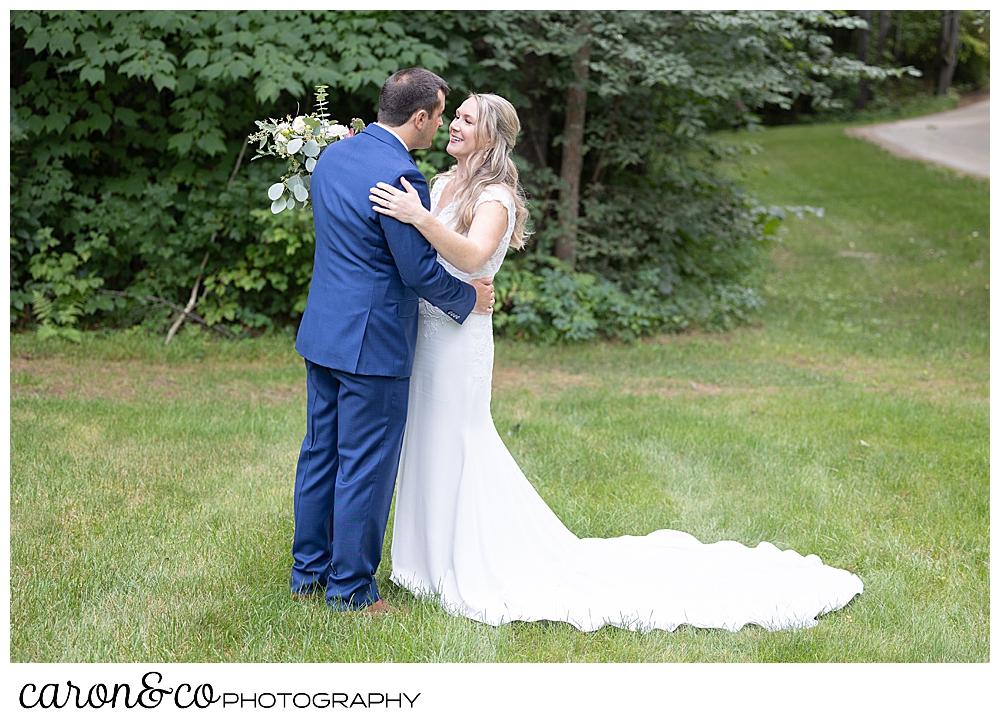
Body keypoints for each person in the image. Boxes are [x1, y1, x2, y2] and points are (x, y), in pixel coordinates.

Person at [370, 92, 863, 632]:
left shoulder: (495, 197)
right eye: (454, 116)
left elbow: (468, 256)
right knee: (428, 437)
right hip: (429, 330)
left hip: (461, 339)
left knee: (460, 439)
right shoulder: (440, 184)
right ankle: (424, 564)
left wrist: (419, 218)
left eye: (466, 118)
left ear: (491, 136)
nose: (454, 124)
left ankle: (469, 562)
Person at [291, 68, 495, 612]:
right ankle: (352, 589)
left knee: (319, 454)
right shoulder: (403, 176)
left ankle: (307, 573)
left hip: (324, 331)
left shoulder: (334, 157)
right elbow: (417, 270)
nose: (442, 126)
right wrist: (466, 298)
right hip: (372, 342)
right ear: (420, 116)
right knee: (364, 463)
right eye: (440, 114)